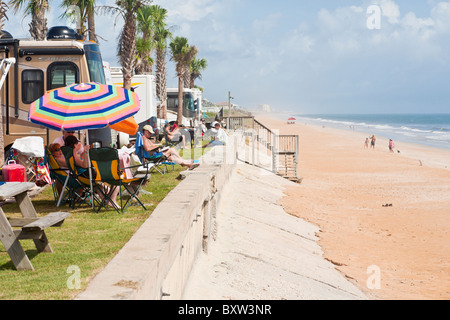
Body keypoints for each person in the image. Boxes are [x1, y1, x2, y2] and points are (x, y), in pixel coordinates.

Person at [65, 135, 120, 209]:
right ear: (75, 145)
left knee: (99, 186)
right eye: (78, 143)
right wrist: (85, 152)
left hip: (82, 176)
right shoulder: (74, 157)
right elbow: (85, 166)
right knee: (117, 180)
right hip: (86, 176)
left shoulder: (70, 155)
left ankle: (105, 201)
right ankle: (112, 200)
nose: (80, 145)